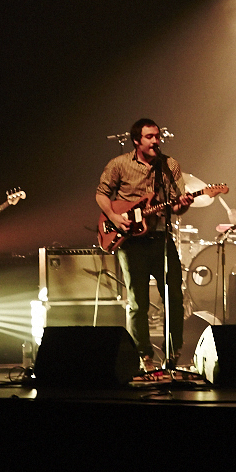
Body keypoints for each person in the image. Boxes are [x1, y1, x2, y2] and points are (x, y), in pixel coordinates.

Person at [96, 118, 194, 372]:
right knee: (138, 302)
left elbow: (175, 205)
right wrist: (115, 217)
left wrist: (183, 204)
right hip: (131, 242)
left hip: (161, 238)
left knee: (174, 297)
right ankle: (145, 357)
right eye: (149, 137)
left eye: (157, 136)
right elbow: (101, 194)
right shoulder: (119, 164)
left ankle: (173, 355)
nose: (155, 141)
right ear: (137, 141)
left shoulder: (169, 164)